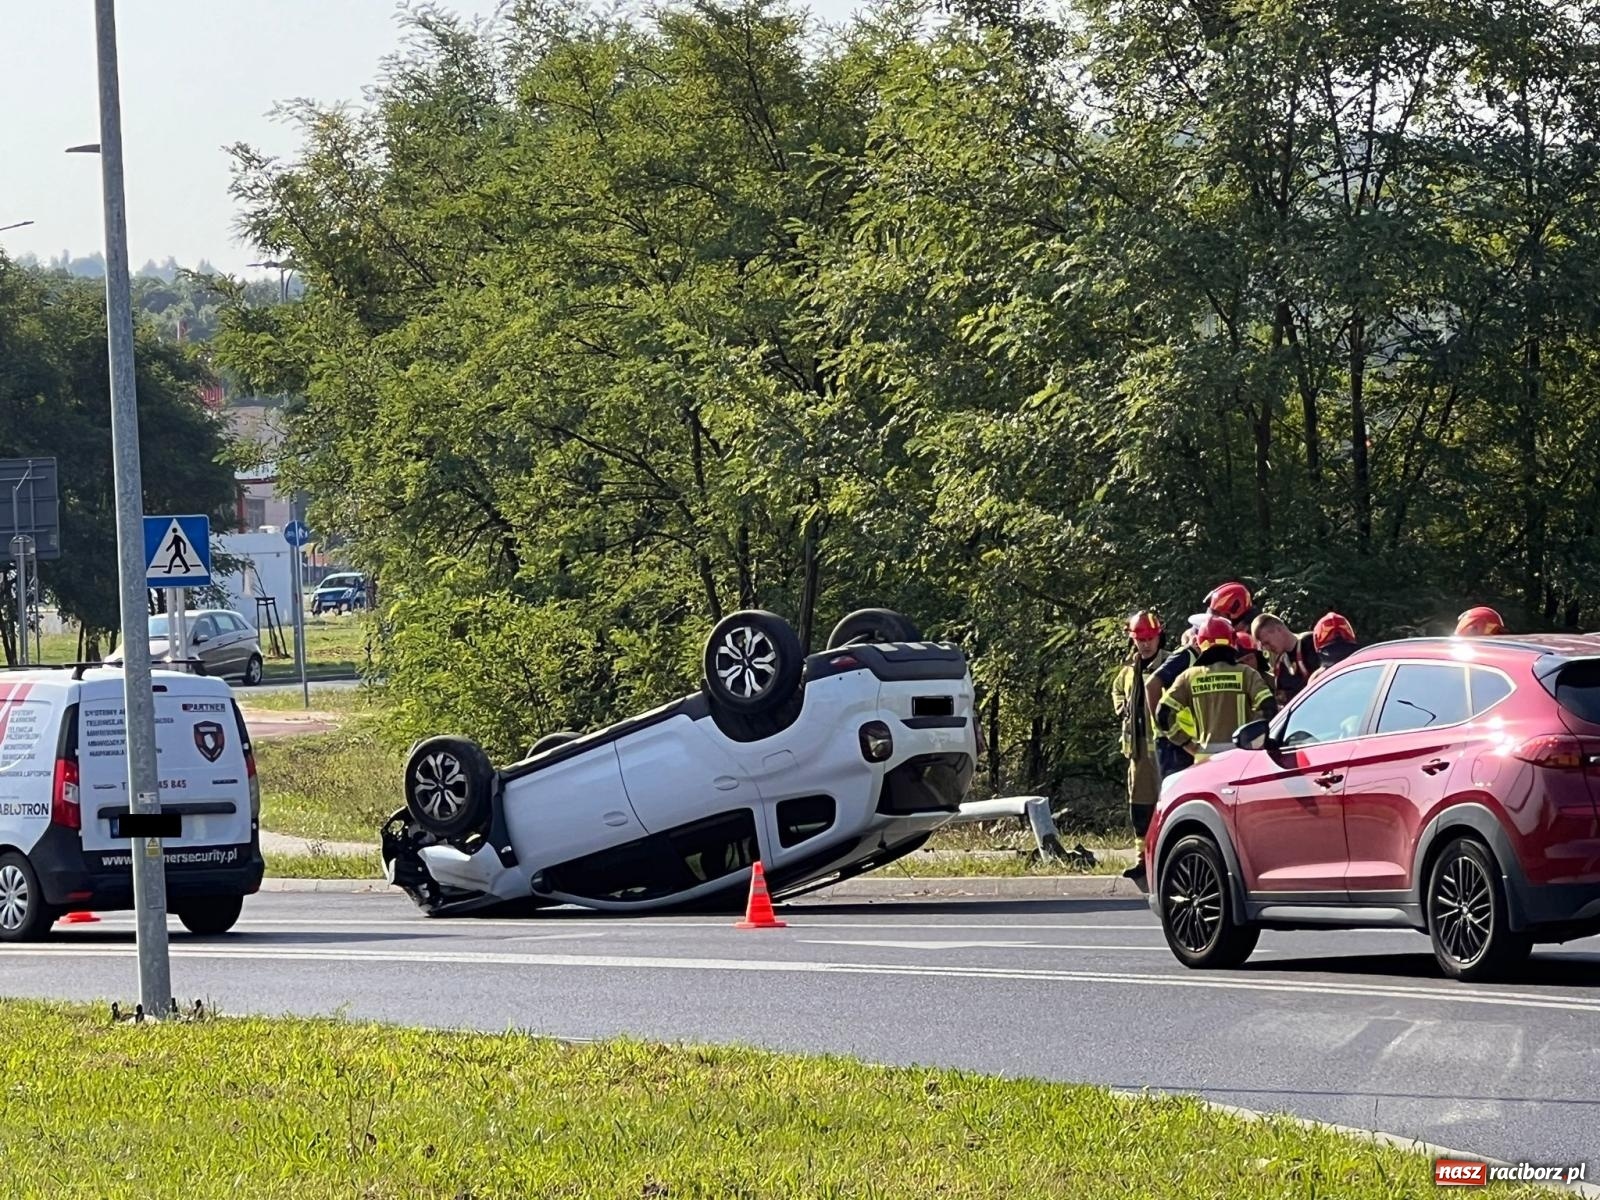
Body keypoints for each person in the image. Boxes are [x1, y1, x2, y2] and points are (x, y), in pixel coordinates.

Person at [1145, 581, 1255, 778]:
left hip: (1195, 741)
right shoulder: (1189, 654)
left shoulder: (1225, 660)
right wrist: (1172, 732)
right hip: (1178, 743)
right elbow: (1152, 684)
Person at [1156, 617, 1277, 770]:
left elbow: (1163, 714)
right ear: (1232, 642)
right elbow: (1268, 707)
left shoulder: (1188, 677)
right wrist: (1254, 739)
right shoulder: (1247, 673)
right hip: (1242, 757)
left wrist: (1187, 744)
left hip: (1205, 759)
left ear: (1201, 644)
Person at [1111, 610, 1163, 885]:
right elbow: (1116, 690)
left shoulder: (1169, 665)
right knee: (1140, 808)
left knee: (1164, 805)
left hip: (1165, 750)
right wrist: (1122, 708)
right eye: (1140, 639)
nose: (1145, 644)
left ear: (1158, 637)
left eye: (1149, 638)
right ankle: (1141, 860)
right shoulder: (1129, 670)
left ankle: (1161, 859)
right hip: (1137, 751)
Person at [1251, 613, 1318, 705]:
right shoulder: (1280, 665)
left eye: (1267, 642)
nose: (1267, 648)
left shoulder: (1310, 644)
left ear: (1279, 630)